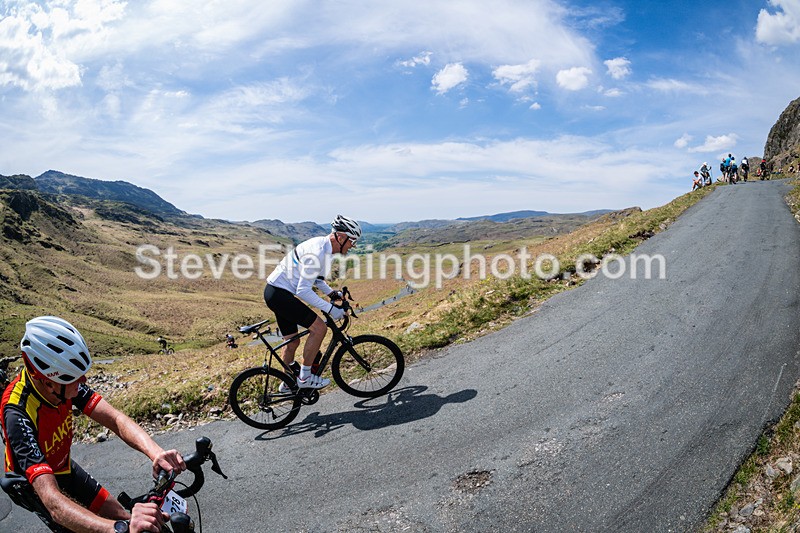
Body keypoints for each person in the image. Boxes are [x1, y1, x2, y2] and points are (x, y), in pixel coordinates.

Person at [1, 316, 186, 533]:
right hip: (34, 486)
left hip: (63, 467)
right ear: (47, 382)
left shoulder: (63, 384)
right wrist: (119, 529)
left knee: (122, 515)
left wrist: (156, 453)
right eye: (74, 377)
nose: (84, 382)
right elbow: (54, 504)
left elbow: (115, 419)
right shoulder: (17, 413)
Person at [263, 215, 361, 390]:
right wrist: (331, 309)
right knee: (319, 328)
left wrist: (331, 293)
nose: (353, 246)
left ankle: (287, 383)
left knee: (292, 342)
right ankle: (305, 378)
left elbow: (317, 280)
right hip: (279, 294)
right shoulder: (316, 253)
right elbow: (303, 290)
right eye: (352, 241)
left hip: (277, 292)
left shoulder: (327, 250)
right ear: (340, 236)